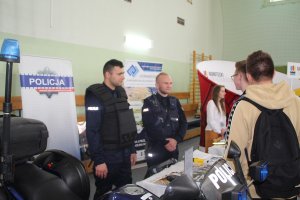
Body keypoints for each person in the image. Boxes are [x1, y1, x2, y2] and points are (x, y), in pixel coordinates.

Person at [225, 50, 300, 198]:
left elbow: (234, 154)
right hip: (292, 184)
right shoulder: (296, 102)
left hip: (257, 188)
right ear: (273, 74)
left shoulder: (244, 106)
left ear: (248, 76)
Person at [85, 59, 137, 199]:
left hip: (125, 153)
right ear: (108, 74)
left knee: (126, 189)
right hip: (107, 156)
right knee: (104, 192)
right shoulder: (94, 96)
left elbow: (127, 124)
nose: (123, 76)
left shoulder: (121, 92)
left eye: (123, 73)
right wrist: (99, 160)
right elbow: (92, 130)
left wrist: (132, 149)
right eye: (119, 73)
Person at [142, 72, 187, 169]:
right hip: (156, 149)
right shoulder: (148, 102)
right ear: (157, 85)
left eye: (171, 83)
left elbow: (183, 122)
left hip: (173, 147)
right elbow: (149, 126)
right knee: (154, 178)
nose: (169, 86)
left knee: (172, 176)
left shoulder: (175, 101)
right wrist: (165, 142)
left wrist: (176, 139)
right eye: (166, 83)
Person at [224, 60, 249, 141]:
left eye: (234, 76)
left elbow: (232, 138)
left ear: (239, 76)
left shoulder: (240, 102)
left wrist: (225, 133)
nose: (233, 79)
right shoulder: (255, 97)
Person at [205, 85, 227, 153]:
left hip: (219, 132)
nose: (225, 93)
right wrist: (219, 131)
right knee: (210, 153)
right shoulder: (211, 103)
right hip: (211, 132)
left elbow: (222, 120)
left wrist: (223, 129)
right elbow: (210, 121)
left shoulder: (222, 103)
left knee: (218, 153)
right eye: (222, 91)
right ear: (217, 92)